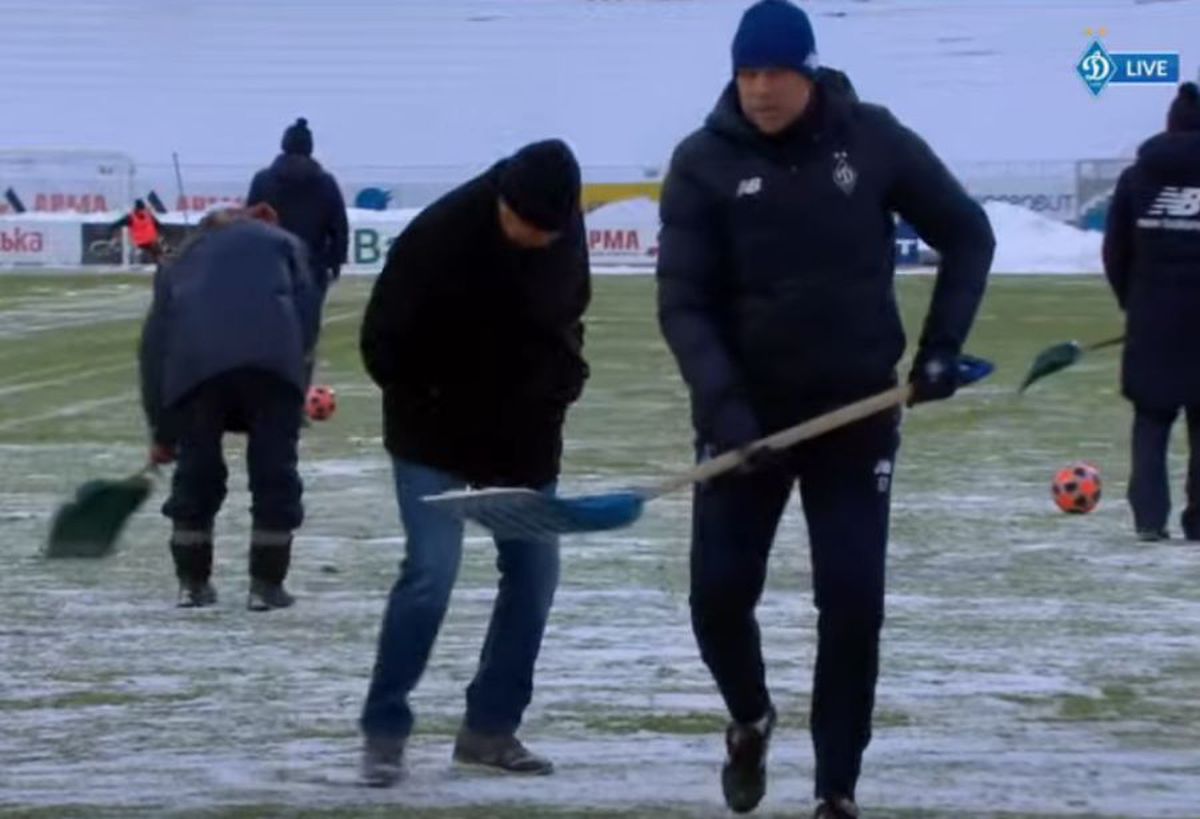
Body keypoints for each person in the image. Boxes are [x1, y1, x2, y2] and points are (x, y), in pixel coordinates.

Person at [655, 1, 994, 816]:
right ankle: (750, 715)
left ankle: (836, 786)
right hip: (746, 422)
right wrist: (727, 406)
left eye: (775, 73)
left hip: (857, 413)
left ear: (807, 71)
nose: (760, 90)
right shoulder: (701, 161)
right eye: (746, 73)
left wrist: (941, 346)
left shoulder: (872, 139)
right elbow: (683, 302)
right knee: (717, 596)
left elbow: (967, 232)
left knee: (851, 599)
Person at [357, 139, 590, 786]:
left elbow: (568, 317)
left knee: (534, 572)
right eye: (528, 226)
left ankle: (490, 727)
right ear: (501, 201)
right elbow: (379, 343)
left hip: (522, 433)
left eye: (552, 229)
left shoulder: (562, 230)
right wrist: (437, 395)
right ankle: (384, 730)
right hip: (432, 429)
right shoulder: (439, 237)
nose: (539, 239)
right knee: (431, 572)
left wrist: (561, 385)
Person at [139, 204, 319, 611]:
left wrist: (163, 433)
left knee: (196, 475)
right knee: (274, 474)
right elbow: (307, 320)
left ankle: (192, 583)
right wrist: (297, 389)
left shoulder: (181, 258)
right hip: (273, 368)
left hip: (195, 370)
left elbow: (154, 351)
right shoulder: (286, 244)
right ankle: (266, 586)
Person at [1103, 81, 1200, 542]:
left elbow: (1115, 250)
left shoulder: (1136, 178)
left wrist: (1134, 301)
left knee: (1152, 420)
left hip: (1152, 318)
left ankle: (1148, 520)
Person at [247, 117, 349, 307]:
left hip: (271, 263)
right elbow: (338, 226)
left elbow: (250, 223)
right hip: (312, 264)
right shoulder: (325, 182)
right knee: (307, 324)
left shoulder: (262, 180)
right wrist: (335, 262)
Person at [110, 199, 163, 263]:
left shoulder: (148, 216)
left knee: (158, 253)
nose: (142, 211)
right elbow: (117, 224)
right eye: (141, 209)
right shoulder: (131, 217)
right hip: (139, 244)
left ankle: (159, 263)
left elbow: (159, 226)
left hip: (150, 243)